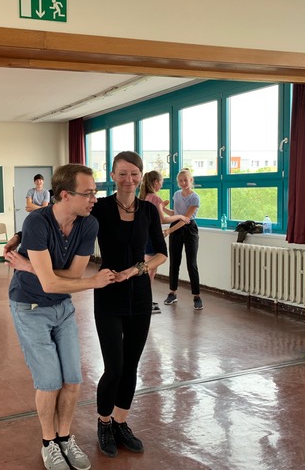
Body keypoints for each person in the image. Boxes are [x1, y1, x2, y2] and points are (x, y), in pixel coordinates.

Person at [4, 164, 115, 470]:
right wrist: (93, 282)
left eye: (95, 192)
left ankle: (65, 437)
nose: (94, 199)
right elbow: (54, 284)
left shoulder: (88, 224)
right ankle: (48, 443)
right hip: (30, 307)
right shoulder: (36, 222)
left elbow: (72, 275)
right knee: (50, 381)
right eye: (87, 193)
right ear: (65, 195)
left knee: (73, 379)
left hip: (62, 307)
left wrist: (33, 268)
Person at [89, 152, 168, 458]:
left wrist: (136, 270)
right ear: (112, 175)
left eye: (134, 173)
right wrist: (23, 235)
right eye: (122, 173)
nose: (128, 179)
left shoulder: (148, 210)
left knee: (132, 364)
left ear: (140, 176)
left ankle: (121, 422)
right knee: (114, 366)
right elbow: (62, 217)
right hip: (108, 292)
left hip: (139, 294)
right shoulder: (100, 207)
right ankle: (104, 422)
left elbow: (161, 253)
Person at [139, 170, 189, 312]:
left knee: (147, 269)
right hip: (152, 237)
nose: (161, 185)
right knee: (150, 270)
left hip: (144, 236)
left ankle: (145, 300)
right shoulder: (155, 198)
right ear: (156, 182)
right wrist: (181, 216)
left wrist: (162, 206)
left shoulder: (144, 196)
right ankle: (144, 302)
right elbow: (163, 219)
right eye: (161, 182)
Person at [162, 167, 203, 310]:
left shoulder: (194, 197)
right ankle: (172, 293)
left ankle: (197, 296)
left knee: (191, 263)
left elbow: (185, 218)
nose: (183, 183)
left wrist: (169, 230)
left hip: (189, 228)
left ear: (191, 180)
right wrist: (162, 208)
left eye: (186, 180)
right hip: (175, 226)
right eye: (180, 181)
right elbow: (175, 213)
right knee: (174, 262)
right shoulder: (176, 195)